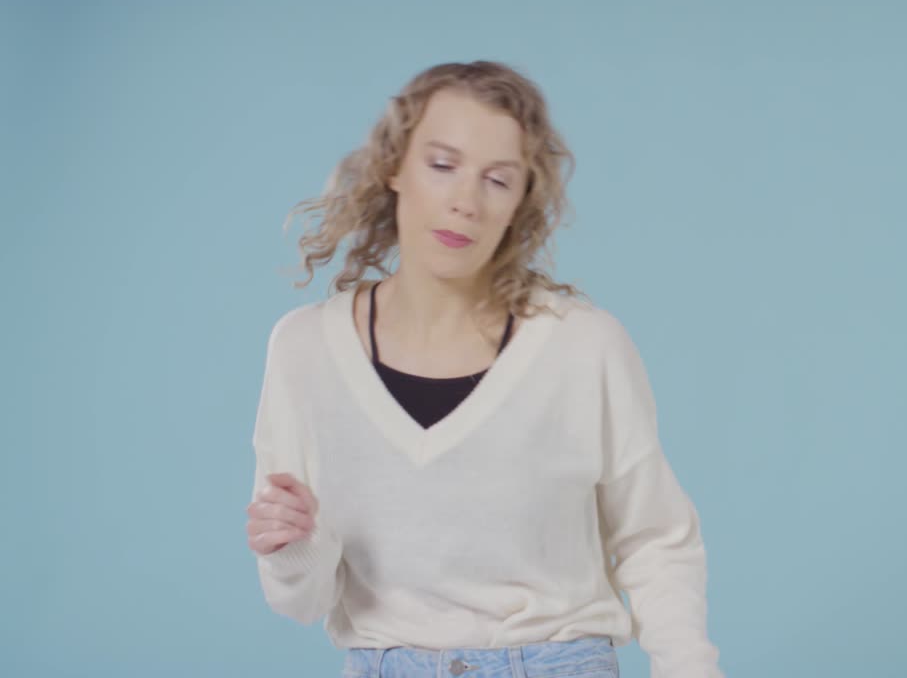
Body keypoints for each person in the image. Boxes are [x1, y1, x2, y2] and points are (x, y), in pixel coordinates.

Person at [244, 60, 723, 678]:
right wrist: (292, 548)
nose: (465, 202)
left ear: (522, 201)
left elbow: (657, 539)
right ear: (394, 167)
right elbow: (301, 601)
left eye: (497, 180)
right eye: (442, 166)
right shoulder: (304, 348)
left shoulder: (582, 345)